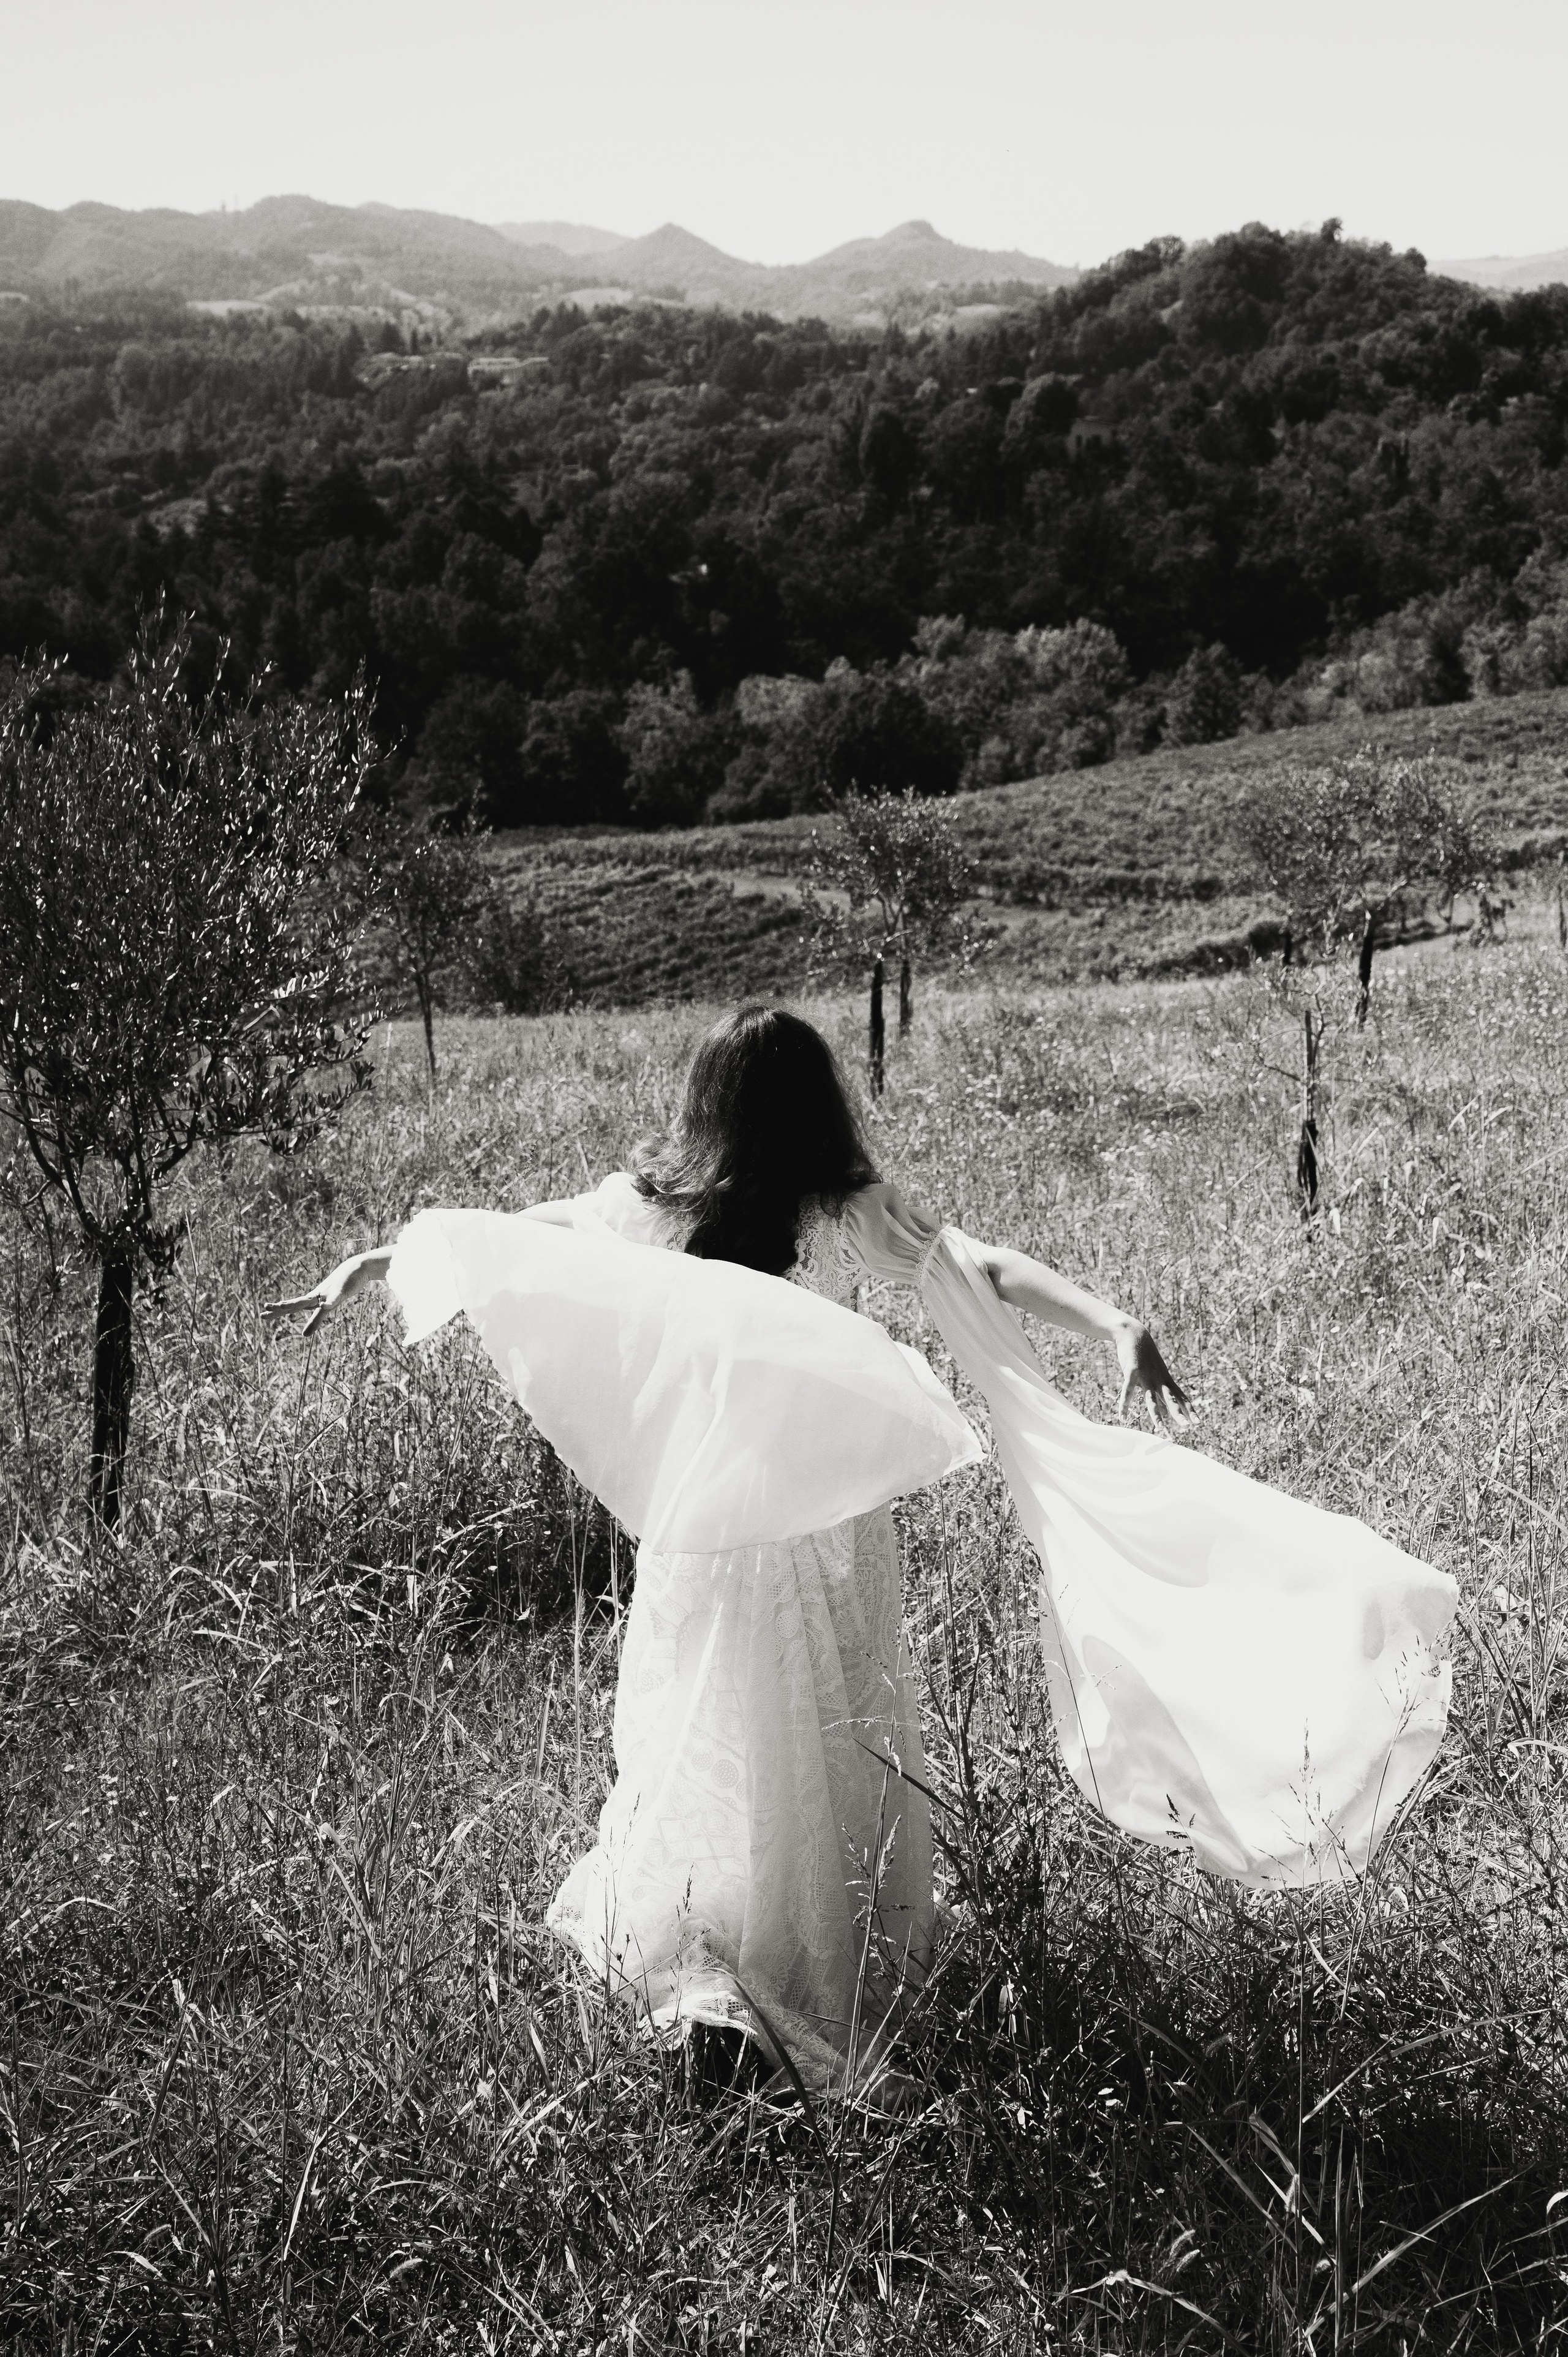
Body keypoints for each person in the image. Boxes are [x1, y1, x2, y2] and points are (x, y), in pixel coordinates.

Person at [267, 1004, 1456, 2092]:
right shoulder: (807, 1203)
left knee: (712, 1733)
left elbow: (503, 1243)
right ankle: (770, 1966)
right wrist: (1111, 1319)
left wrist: (373, 1261)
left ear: (710, 1099)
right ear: (817, 1107)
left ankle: (721, 1962)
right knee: (818, 1738)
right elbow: (968, 1263)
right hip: (811, 1535)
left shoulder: (667, 1200)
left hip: (719, 1530)